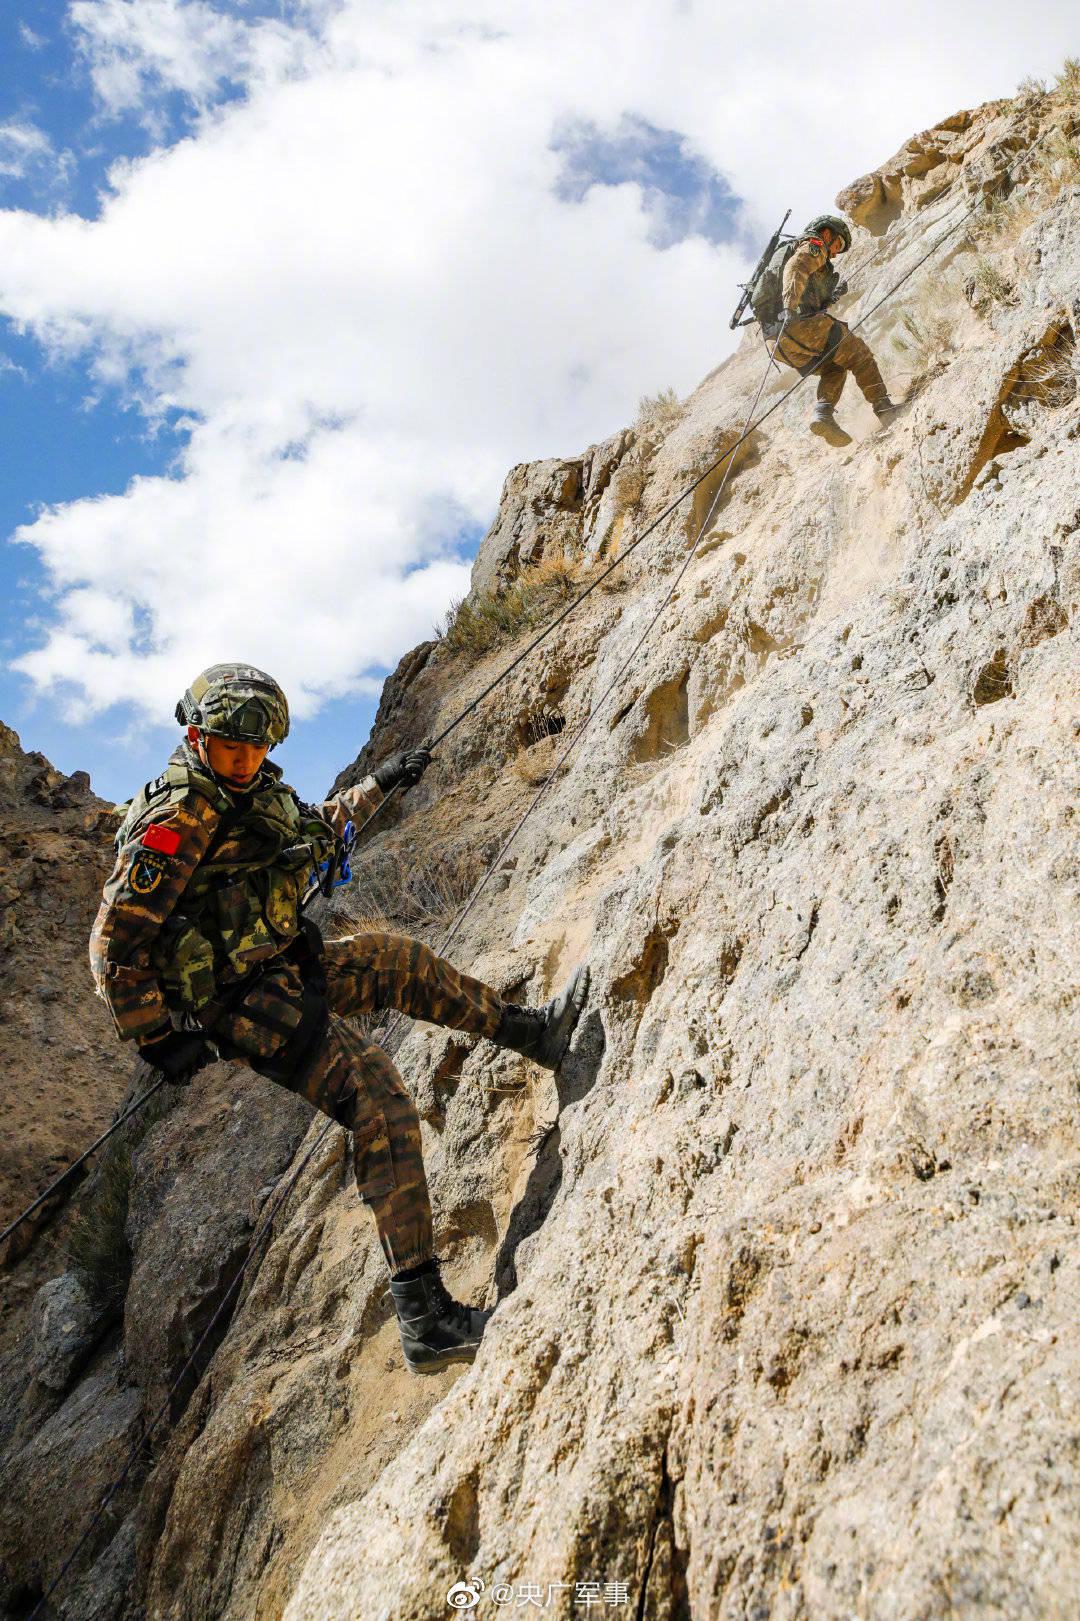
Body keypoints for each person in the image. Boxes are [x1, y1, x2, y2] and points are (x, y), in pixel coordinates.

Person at [89, 663, 590, 1375]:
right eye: (232, 746)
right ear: (198, 736)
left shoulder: (253, 787)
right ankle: (427, 1320)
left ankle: (538, 1034)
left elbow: (314, 829)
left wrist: (381, 783)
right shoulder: (174, 821)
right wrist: (157, 1038)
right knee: (381, 1102)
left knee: (401, 963)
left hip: (281, 962)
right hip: (240, 1004)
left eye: (257, 747)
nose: (245, 759)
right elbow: (114, 949)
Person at [767, 214, 900, 447]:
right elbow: (797, 266)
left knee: (834, 366)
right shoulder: (814, 244)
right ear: (826, 233)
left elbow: (809, 298)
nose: (836, 253)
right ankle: (884, 408)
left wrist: (832, 296)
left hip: (776, 344)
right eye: (837, 245)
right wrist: (789, 306)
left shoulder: (808, 256)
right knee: (859, 354)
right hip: (796, 326)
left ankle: (824, 415)